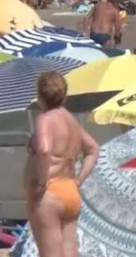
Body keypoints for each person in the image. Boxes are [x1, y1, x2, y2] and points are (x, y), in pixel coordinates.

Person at [25, 71, 99, 257]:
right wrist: (79, 180)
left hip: (50, 193)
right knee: (69, 253)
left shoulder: (45, 118)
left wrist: (41, 182)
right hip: (69, 191)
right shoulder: (71, 120)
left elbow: (44, 149)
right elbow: (93, 149)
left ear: (40, 95)